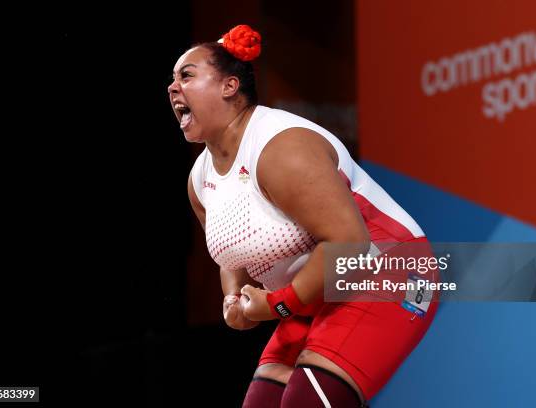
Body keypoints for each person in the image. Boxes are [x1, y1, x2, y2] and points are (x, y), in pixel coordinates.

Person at [168, 25, 438, 408]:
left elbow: (349, 242)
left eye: (187, 75)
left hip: (391, 270)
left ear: (229, 86)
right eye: (172, 80)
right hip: (313, 293)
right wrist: (233, 298)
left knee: (306, 401)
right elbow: (231, 254)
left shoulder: (280, 148)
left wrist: (277, 305)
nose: (172, 88)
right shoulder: (200, 179)